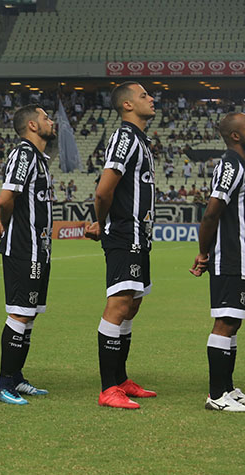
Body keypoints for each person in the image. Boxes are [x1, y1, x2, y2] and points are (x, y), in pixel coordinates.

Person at [86, 81, 157, 409]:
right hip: (124, 233)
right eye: (144, 95)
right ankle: (107, 388)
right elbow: (104, 190)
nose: (151, 98)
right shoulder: (125, 137)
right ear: (127, 105)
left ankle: (121, 379)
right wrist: (101, 221)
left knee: (133, 304)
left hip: (139, 236)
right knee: (119, 303)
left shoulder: (140, 140)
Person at [0, 104, 56, 405]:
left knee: (30, 315)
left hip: (40, 251)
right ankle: (3, 385)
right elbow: (5, 198)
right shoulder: (23, 154)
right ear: (33, 126)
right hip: (24, 250)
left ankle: (16, 377)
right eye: (46, 118)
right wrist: (4, 225)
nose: (51, 122)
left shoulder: (39, 158)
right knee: (19, 312)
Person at [190, 112, 245, 411]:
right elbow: (212, 211)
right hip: (231, 258)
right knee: (225, 321)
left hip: (240, 258)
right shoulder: (230, 164)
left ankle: (227, 388)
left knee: (233, 321)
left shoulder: (241, 164)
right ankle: (216, 396)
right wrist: (204, 252)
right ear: (235, 135)